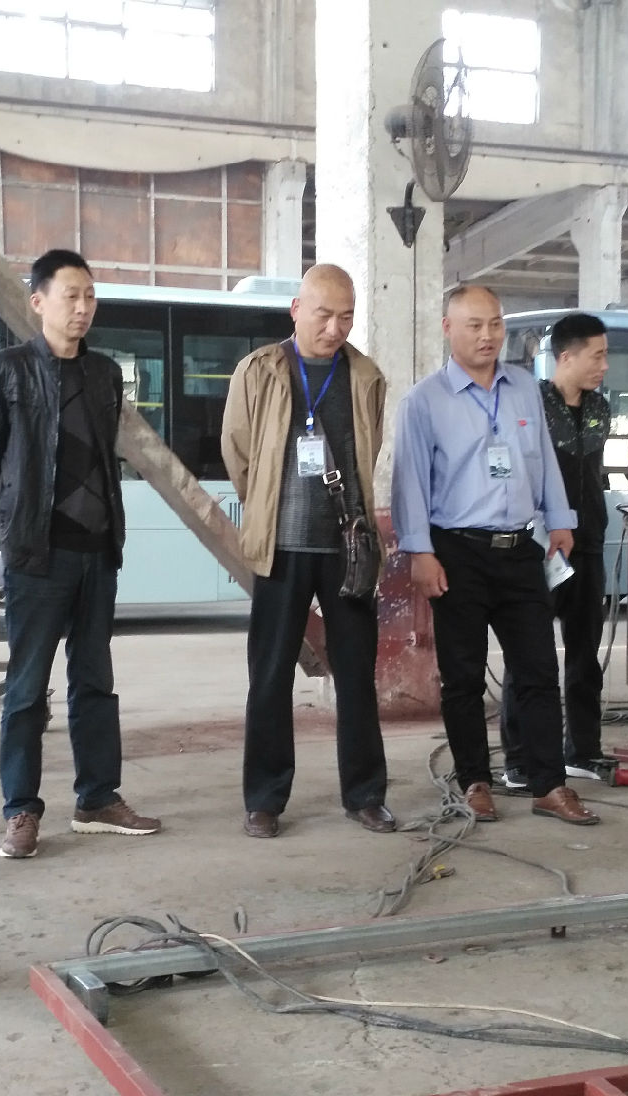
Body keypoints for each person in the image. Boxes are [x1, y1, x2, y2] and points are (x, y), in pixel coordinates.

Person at [0, 249, 162, 859]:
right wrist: (19, 509)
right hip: (38, 556)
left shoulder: (103, 374)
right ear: (38, 302)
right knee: (26, 689)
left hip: (97, 553)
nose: (83, 307)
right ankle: (21, 810)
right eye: (70, 295)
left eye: (90, 296)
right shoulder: (7, 371)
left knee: (95, 681)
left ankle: (97, 798)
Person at [388, 285, 599, 828]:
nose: (488, 336)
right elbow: (409, 483)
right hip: (456, 552)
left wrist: (560, 520)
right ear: (448, 329)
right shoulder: (424, 401)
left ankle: (549, 785)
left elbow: (543, 458)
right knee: (462, 676)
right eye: (475, 325)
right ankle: (474, 782)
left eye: (496, 324)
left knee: (538, 670)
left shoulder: (524, 388)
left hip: (519, 549)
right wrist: (420, 552)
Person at [221, 264, 394, 839]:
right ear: (296, 309)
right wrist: (268, 508)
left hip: (347, 546)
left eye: (346, 316)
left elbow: (367, 452)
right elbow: (237, 451)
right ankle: (264, 799)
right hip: (282, 547)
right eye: (324, 314)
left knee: (356, 675)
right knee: (270, 676)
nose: (335, 327)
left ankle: (365, 795)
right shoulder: (260, 370)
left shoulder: (365, 376)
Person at [500, 314, 613, 790]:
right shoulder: (532, 405)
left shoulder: (601, 407)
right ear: (566, 356)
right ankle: (520, 760)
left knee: (585, 654)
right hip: (542, 544)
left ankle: (582, 751)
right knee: (529, 654)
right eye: (597, 356)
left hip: (589, 544)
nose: (604, 366)